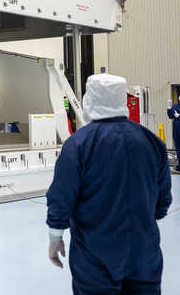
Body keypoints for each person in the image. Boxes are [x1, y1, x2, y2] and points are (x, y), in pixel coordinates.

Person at [46, 74, 172, 294]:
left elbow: (61, 196)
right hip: (144, 250)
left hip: (95, 252)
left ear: (90, 99)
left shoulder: (78, 145)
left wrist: (55, 236)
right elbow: (163, 198)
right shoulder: (151, 141)